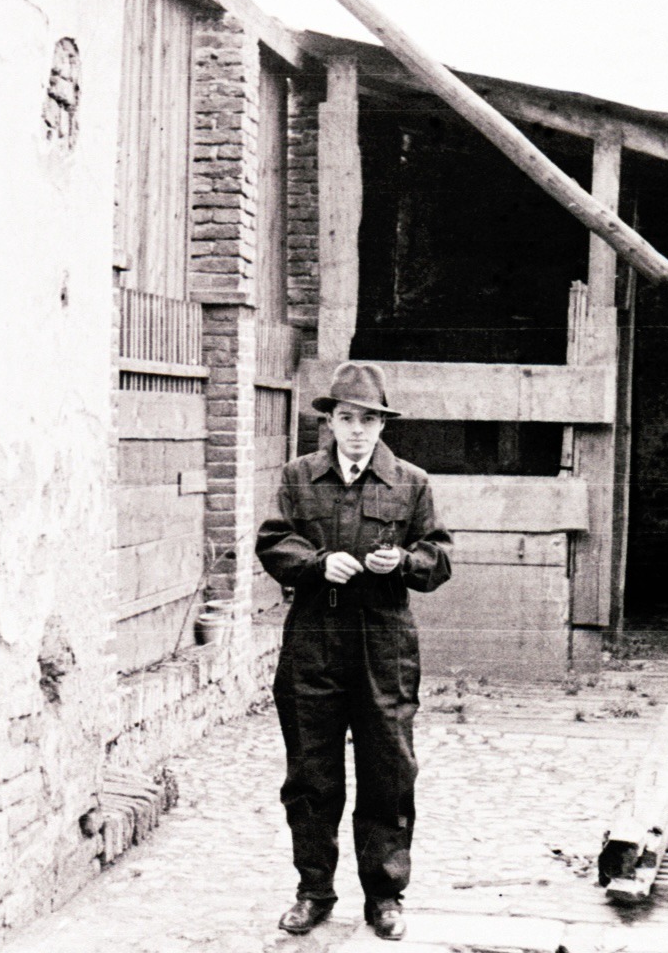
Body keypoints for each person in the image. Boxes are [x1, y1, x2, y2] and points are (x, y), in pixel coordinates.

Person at [255, 361, 452, 941]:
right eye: (347, 418)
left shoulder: (411, 482)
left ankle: (385, 896)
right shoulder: (298, 476)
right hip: (314, 642)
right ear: (331, 422)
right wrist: (316, 565)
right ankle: (313, 892)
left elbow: (439, 557)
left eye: (368, 419)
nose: (357, 430)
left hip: (382, 644)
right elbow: (273, 542)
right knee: (311, 775)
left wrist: (407, 562)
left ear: (381, 424)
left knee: (388, 771)